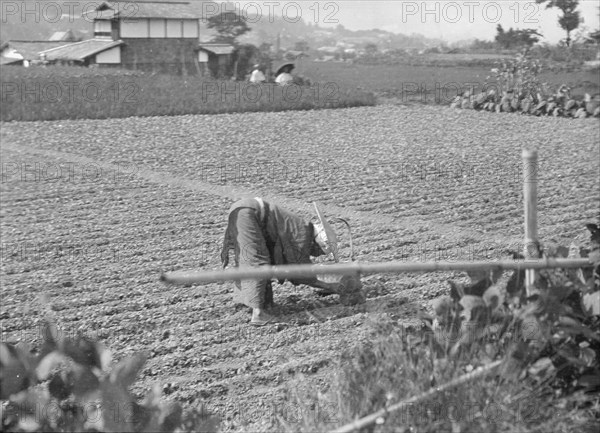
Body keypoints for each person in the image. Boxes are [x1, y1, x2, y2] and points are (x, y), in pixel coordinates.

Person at [220, 197, 341, 326]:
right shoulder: (303, 233)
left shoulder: (302, 226)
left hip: (244, 209)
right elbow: (299, 271)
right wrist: (329, 286)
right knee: (257, 262)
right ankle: (259, 313)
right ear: (317, 243)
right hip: (248, 213)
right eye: (318, 251)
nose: (314, 254)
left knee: (250, 258)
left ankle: (255, 303)